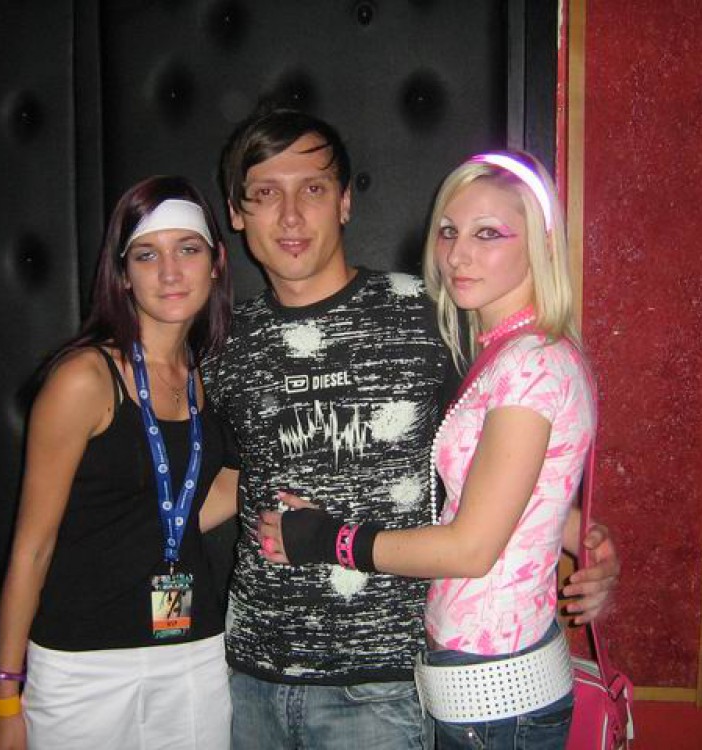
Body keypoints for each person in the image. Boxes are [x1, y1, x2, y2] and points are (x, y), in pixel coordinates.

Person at [203, 107, 619, 749]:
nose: (290, 216)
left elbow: (495, 460)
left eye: (312, 189)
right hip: (253, 670)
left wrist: (582, 542)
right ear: (236, 212)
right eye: (265, 193)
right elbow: (230, 479)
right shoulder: (225, 343)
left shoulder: (434, 316)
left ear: (345, 201)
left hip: (386, 684)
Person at [0, 176, 238, 750]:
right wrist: (5, 698)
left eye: (188, 249)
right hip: (83, 666)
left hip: (192, 657)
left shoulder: (209, 376)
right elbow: (31, 548)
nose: (169, 272)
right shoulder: (84, 379)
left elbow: (182, 510)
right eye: (147, 255)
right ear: (122, 273)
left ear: (216, 262)